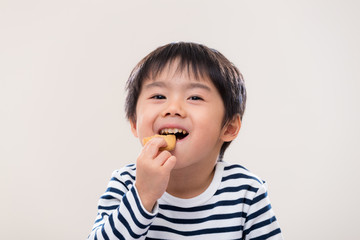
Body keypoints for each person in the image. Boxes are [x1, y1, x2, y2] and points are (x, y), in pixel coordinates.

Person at [87, 42, 283, 239]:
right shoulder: (127, 183)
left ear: (229, 128)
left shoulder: (246, 192)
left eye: (195, 97)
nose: (173, 108)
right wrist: (143, 195)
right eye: (158, 95)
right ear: (134, 123)